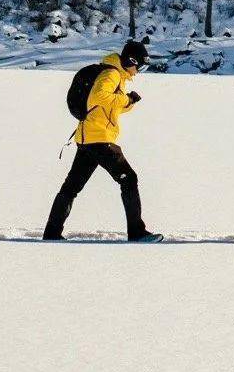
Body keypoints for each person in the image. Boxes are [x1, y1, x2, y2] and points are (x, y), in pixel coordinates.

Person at [43, 40, 162, 243]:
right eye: (139, 66)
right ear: (130, 61)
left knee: (71, 187)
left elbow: (105, 105)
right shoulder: (111, 74)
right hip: (100, 139)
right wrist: (125, 100)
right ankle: (137, 233)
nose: (138, 71)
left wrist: (128, 102)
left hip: (88, 138)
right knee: (129, 179)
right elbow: (98, 97)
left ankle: (51, 233)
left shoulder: (113, 74)